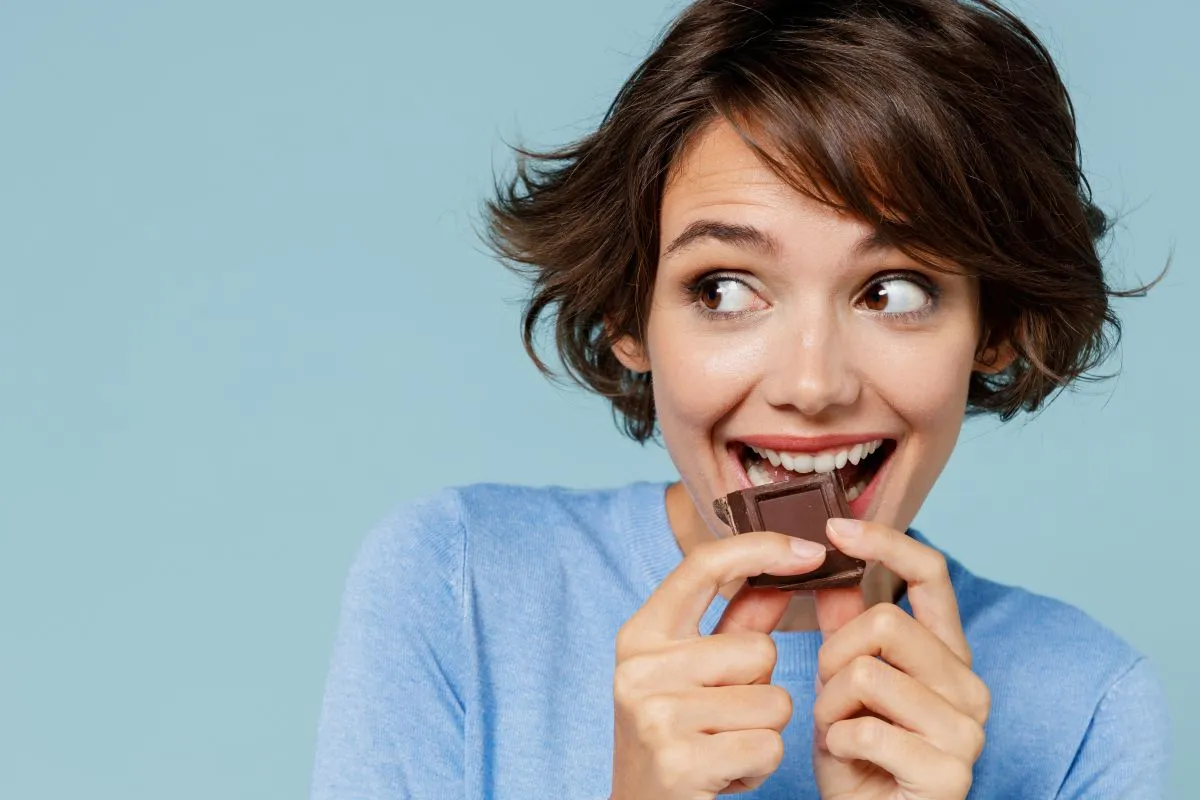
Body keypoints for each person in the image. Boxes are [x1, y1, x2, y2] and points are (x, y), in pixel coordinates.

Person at [310, 1, 1171, 797]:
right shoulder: (457, 584)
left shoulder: (1086, 709)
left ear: (994, 326)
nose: (812, 386)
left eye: (893, 292)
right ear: (626, 314)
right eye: (723, 289)